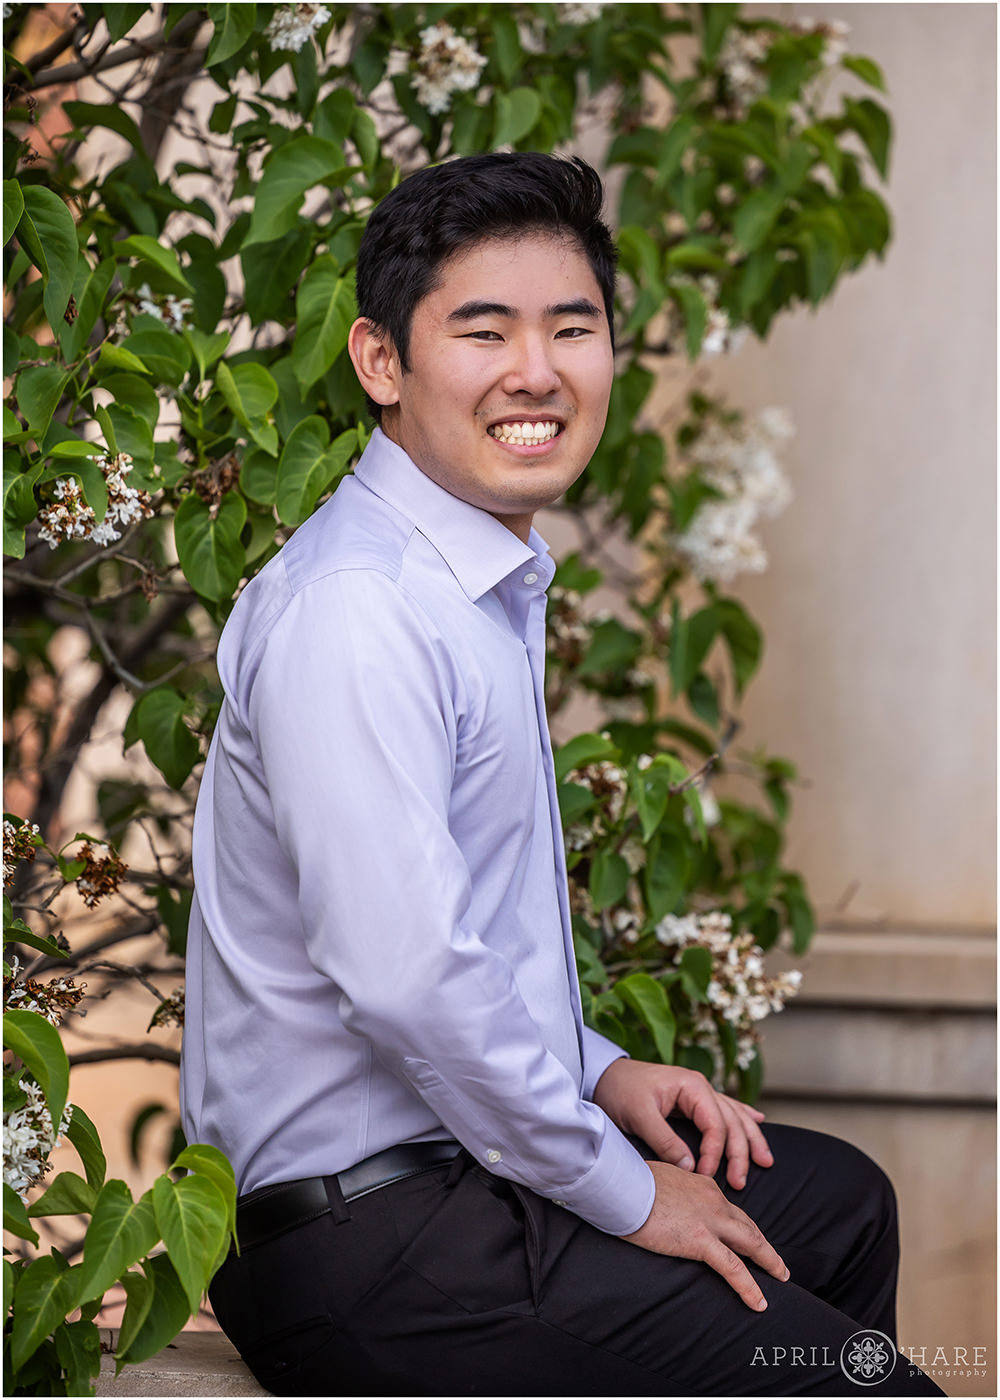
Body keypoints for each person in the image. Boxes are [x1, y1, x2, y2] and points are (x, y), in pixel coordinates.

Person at [180, 152, 942, 1397]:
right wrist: (629, 1190)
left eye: (569, 327)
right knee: (860, 1383)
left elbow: (453, 935)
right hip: (365, 1243)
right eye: (483, 330)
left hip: (452, 1179)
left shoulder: (464, 581)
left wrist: (598, 1071)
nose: (535, 371)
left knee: (836, 1203)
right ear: (382, 361)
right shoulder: (359, 610)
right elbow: (408, 975)